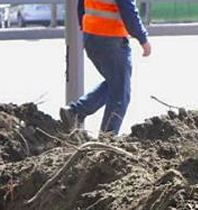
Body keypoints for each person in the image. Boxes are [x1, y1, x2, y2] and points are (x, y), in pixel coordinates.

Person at [59, 0, 152, 136]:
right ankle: (106, 137)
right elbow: (128, 10)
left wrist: (83, 26)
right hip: (111, 37)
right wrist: (143, 38)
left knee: (115, 84)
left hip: (91, 35)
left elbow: (81, 4)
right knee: (120, 93)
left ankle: (76, 112)